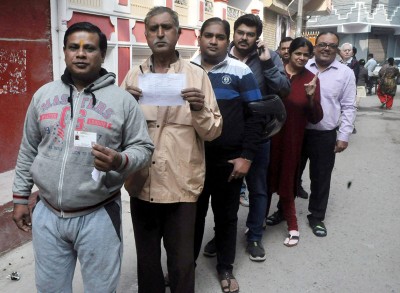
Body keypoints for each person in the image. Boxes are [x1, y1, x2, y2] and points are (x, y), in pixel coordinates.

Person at [11, 22, 154, 292]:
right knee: (50, 288)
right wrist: (20, 198)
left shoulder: (123, 101)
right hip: (48, 214)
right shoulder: (43, 96)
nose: (80, 54)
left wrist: (119, 161)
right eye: (73, 47)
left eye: (89, 48)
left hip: (98, 215)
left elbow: (144, 149)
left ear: (102, 55)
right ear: (64, 52)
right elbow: (29, 148)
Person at [121, 7, 222, 293]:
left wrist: (200, 109)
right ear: (146, 34)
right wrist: (124, 106)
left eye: (166, 27)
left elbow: (213, 131)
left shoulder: (196, 76)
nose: (160, 34)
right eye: (153, 28)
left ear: (178, 33)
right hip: (142, 182)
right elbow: (116, 133)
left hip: (182, 184)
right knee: (148, 262)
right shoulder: (132, 76)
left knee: (181, 263)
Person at [192, 17, 263, 292]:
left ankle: (225, 268)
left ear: (227, 39)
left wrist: (247, 156)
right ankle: (186, 268)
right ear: (199, 37)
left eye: (219, 37)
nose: (213, 41)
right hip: (191, 160)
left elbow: (256, 117)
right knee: (191, 218)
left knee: (226, 217)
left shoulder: (240, 70)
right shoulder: (186, 69)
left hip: (228, 162)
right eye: (208, 35)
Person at [266, 37, 323, 246]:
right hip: (269, 137)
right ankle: (257, 223)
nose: (301, 57)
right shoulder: (275, 73)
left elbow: (316, 117)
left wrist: (310, 97)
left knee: (287, 183)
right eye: (298, 53)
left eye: (306, 55)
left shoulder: (311, 79)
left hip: (292, 140)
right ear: (288, 53)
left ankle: (292, 225)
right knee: (264, 182)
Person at [300, 32, 356, 237]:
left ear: (337, 50)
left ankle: (316, 217)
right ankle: (282, 210)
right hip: (298, 132)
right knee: (290, 174)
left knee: (321, 178)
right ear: (315, 47)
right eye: (322, 44)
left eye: (331, 46)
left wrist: (344, 135)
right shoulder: (303, 65)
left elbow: (349, 106)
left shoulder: (345, 73)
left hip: (324, 135)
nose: (326, 48)